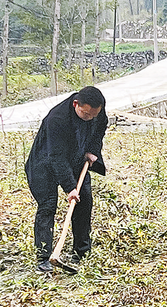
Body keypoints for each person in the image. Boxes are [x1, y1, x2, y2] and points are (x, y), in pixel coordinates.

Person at [25, 86, 108, 273]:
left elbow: (100, 128)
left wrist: (93, 150)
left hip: (76, 158)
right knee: (47, 206)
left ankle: (81, 251)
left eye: (94, 115)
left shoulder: (97, 110)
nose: (90, 118)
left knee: (84, 201)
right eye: (86, 115)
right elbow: (56, 157)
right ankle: (44, 257)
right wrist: (70, 188)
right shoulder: (58, 119)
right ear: (76, 104)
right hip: (44, 163)